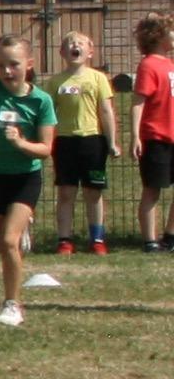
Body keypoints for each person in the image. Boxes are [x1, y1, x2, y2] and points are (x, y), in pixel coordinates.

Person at [0, 36, 56, 326]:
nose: (6, 71)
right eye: (0, 65)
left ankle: (12, 303)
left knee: (7, 242)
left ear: (29, 64)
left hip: (25, 178)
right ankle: (18, 232)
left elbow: (45, 149)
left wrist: (20, 143)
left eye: (13, 64)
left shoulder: (41, 101)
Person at [47, 31, 118, 255]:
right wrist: (45, 140)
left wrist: (112, 142)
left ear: (90, 52)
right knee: (66, 192)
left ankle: (97, 239)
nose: (74, 46)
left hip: (93, 142)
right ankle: (64, 240)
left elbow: (106, 111)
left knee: (93, 192)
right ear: (62, 52)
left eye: (80, 43)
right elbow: (47, 113)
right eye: (69, 43)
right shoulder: (55, 82)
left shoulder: (98, 79)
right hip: (65, 142)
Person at [135, 16, 174, 252]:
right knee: (152, 189)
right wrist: (135, 136)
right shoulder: (148, 65)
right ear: (158, 36)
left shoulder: (171, 64)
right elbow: (138, 102)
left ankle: (170, 236)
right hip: (155, 137)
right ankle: (150, 240)